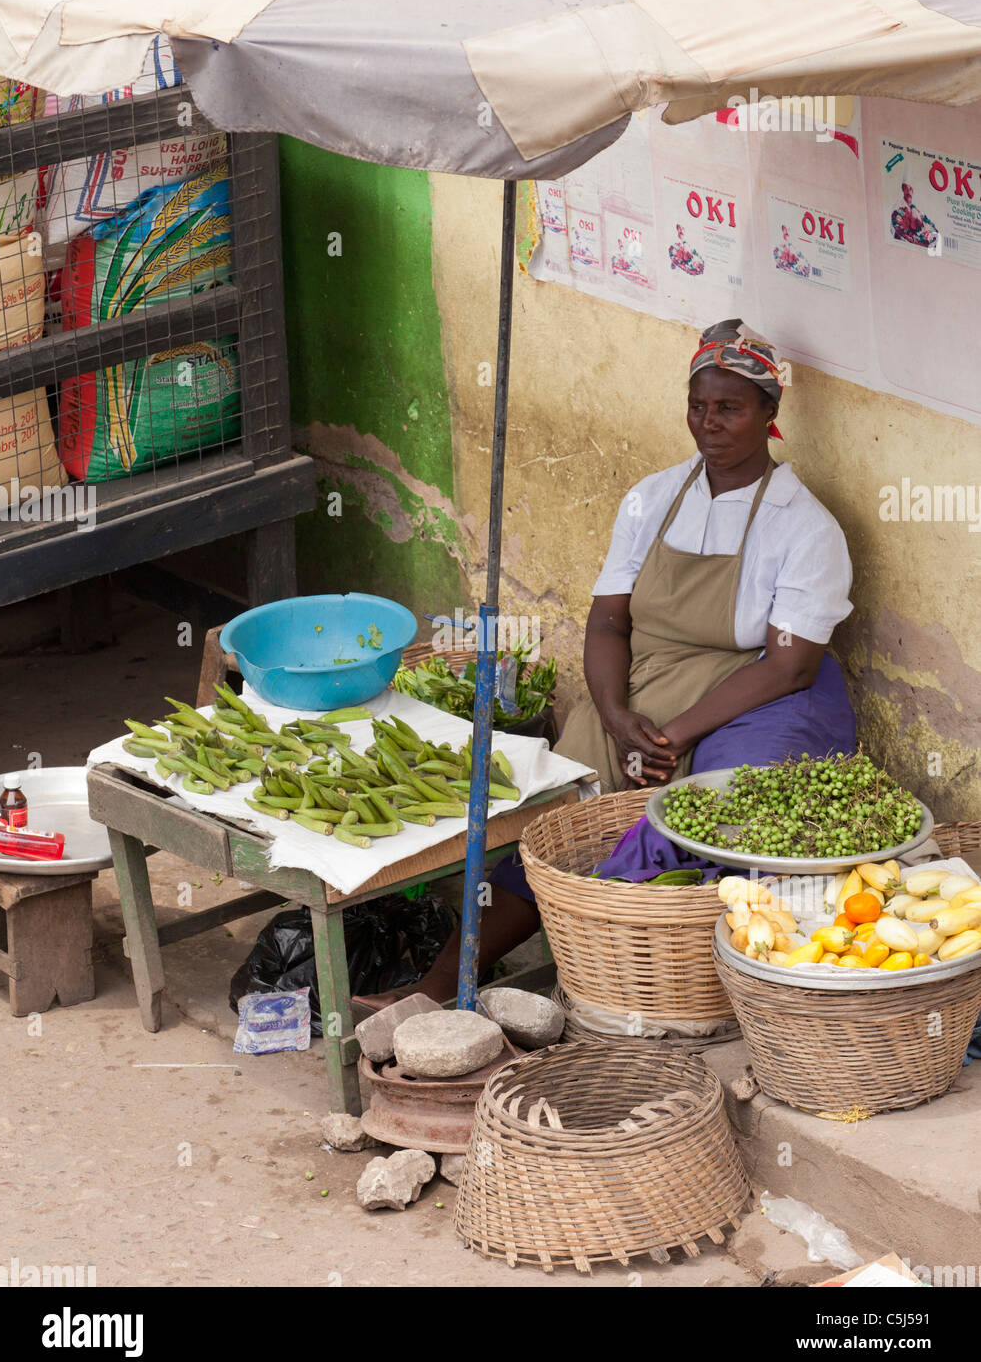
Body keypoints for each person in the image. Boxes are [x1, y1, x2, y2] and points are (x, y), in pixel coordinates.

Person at [357, 317, 857, 1007]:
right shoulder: (652, 499)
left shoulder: (804, 527)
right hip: (646, 683)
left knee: (697, 821)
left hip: (750, 689)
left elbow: (787, 666)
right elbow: (608, 621)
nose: (709, 424)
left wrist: (670, 736)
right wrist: (618, 715)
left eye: (730, 408)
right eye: (698, 405)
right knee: (552, 825)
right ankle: (439, 986)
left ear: (769, 414)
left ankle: (619, 983)